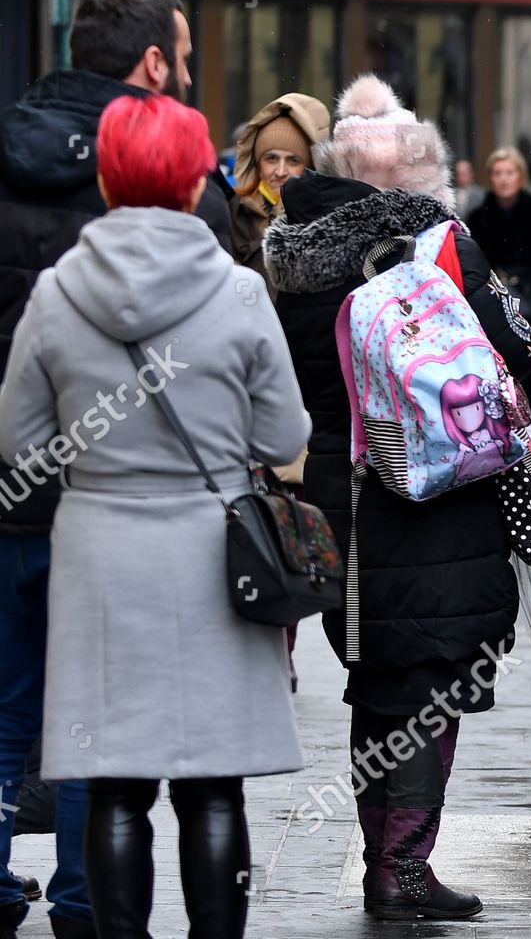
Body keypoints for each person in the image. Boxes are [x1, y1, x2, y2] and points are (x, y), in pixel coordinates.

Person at [0, 94, 309, 938]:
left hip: (101, 557)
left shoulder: (60, 294)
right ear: (190, 184)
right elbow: (285, 432)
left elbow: (18, 439)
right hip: (218, 553)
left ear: (105, 178)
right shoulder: (241, 293)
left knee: (116, 780)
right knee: (215, 787)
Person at [264, 74, 531, 921]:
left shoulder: (290, 255)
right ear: (419, 177)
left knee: (379, 675)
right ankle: (402, 866)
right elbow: (512, 355)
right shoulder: (439, 246)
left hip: (338, 498)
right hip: (433, 496)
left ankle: (388, 860)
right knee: (428, 679)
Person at [0, 0, 232, 939]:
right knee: (95, 709)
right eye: (181, 57)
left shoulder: (5, 153)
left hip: (11, 498)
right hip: (126, 514)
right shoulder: (181, 191)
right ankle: (85, 902)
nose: (184, 75)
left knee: (6, 705)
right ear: (151, 62)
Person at [467, 147, 531, 411]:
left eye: (510, 172)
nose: (504, 179)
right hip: (490, 308)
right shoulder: (478, 218)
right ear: (490, 178)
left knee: (527, 376)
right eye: (497, 173)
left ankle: (527, 432)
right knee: (492, 377)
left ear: (521, 176)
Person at [228, 93, 331, 281]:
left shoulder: (325, 218)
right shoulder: (233, 212)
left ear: (310, 167)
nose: (281, 171)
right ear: (257, 163)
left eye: (293, 160)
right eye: (271, 158)